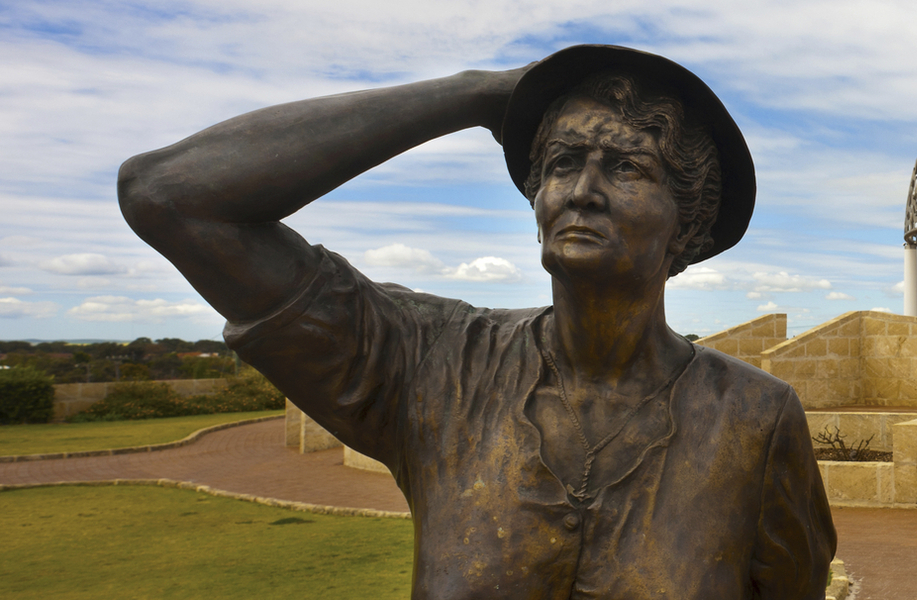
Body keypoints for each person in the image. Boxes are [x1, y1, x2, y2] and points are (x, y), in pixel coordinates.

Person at [118, 45, 835, 599]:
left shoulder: (753, 420)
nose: (581, 191)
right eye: (560, 162)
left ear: (689, 224)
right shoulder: (436, 364)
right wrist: (481, 93)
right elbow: (169, 197)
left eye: (627, 169)